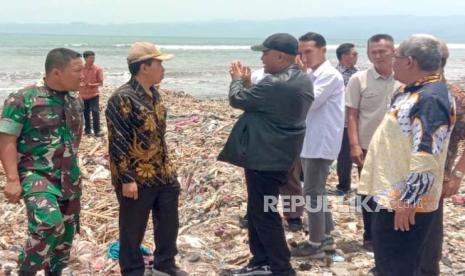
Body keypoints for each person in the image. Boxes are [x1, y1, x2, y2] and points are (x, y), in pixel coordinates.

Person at [359, 34, 455, 276]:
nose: (393, 62)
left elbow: (426, 156)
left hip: (404, 201)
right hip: (389, 194)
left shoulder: (431, 98)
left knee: (398, 265)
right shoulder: (410, 91)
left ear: (410, 62)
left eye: (396, 57)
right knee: (388, 260)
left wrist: (408, 201)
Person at [218, 33, 313, 276]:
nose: (262, 58)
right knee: (257, 210)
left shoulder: (277, 83)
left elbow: (237, 99)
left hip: (267, 157)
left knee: (265, 214)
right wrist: (250, 85)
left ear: (280, 56)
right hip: (276, 154)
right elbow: (263, 104)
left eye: (265, 53)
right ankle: (261, 260)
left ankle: (280, 266)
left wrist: (238, 80)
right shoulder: (299, 78)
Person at [0, 48, 84, 276]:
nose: (82, 76)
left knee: (65, 236)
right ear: (57, 72)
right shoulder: (23, 99)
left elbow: (75, 140)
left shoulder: (75, 102)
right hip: (36, 175)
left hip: (69, 179)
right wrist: (12, 179)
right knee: (49, 224)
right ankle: (25, 271)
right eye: (77, 70)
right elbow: (7, 138)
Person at [105, 42, 186, 276]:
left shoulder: (154, 94)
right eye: (159, 63)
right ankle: (132, 270)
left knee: (169, 222)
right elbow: (117, 141)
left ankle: (166, 263)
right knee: (132, 228)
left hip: (163, 171)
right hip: (136, 176)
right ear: (144, 67)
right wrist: (127, 178)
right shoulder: (122, 98)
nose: (163, 68)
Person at [290, 32, 345, 259]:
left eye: (308, 52)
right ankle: (325, 234)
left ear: (323, 50)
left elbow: (310, 101)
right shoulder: (313, 73)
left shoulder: (329, 75)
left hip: (321, 142)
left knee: (312, 191)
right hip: (310, 140)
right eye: (300, 53)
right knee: (316, 189)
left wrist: (301, 76)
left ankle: (315, 243)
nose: (304, 57)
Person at [345, 34, 401, 251]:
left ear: (393, 51)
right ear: (368, 53)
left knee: (395, 190)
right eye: (373, 51)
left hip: (398, 148)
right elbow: (351, 115)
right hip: (368, 146)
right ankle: (370, 235)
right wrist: (354, 144)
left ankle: (393, 231)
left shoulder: (404, 78)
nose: (377, 55)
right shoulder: (358, 79)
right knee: (368, 192)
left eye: (382, 51)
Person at [238, 67, 305, 232]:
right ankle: (259, 213)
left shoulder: (293, 78)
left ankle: (294, 216)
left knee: (291, 177)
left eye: (266, 53)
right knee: (261, 180)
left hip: (286, 135)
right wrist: (246, 83)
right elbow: (250, 100)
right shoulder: (258, 75)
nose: (263, 58)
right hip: (262, 136)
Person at [418, 41, 465, 276]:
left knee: (430, 227)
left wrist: (456, 174)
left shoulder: (456, 97)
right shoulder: (407, 92)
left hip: (438, 174)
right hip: (405, 172)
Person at [335, 43, 358, 195]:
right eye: (353, 54)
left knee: (349, 154)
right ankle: (343, 185)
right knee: (339, 154)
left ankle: (346, 185)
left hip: (351, 121)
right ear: (343, 56)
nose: (357, 57)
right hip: (337, 120)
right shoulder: (335, 75)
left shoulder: (358, 74)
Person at [79, 50, 104, 137]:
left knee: (95, 111)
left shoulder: (98, 69)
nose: (93, 59)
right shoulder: (80, 69)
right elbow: (76, 80)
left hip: (94, 94)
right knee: (85, 112)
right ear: (85, 58)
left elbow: (101, 83)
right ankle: (87, 130)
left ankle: (97, 130)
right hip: (82, 95)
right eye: (91, 58)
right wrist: (79, 84)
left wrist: (91, 85)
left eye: (93, 58)